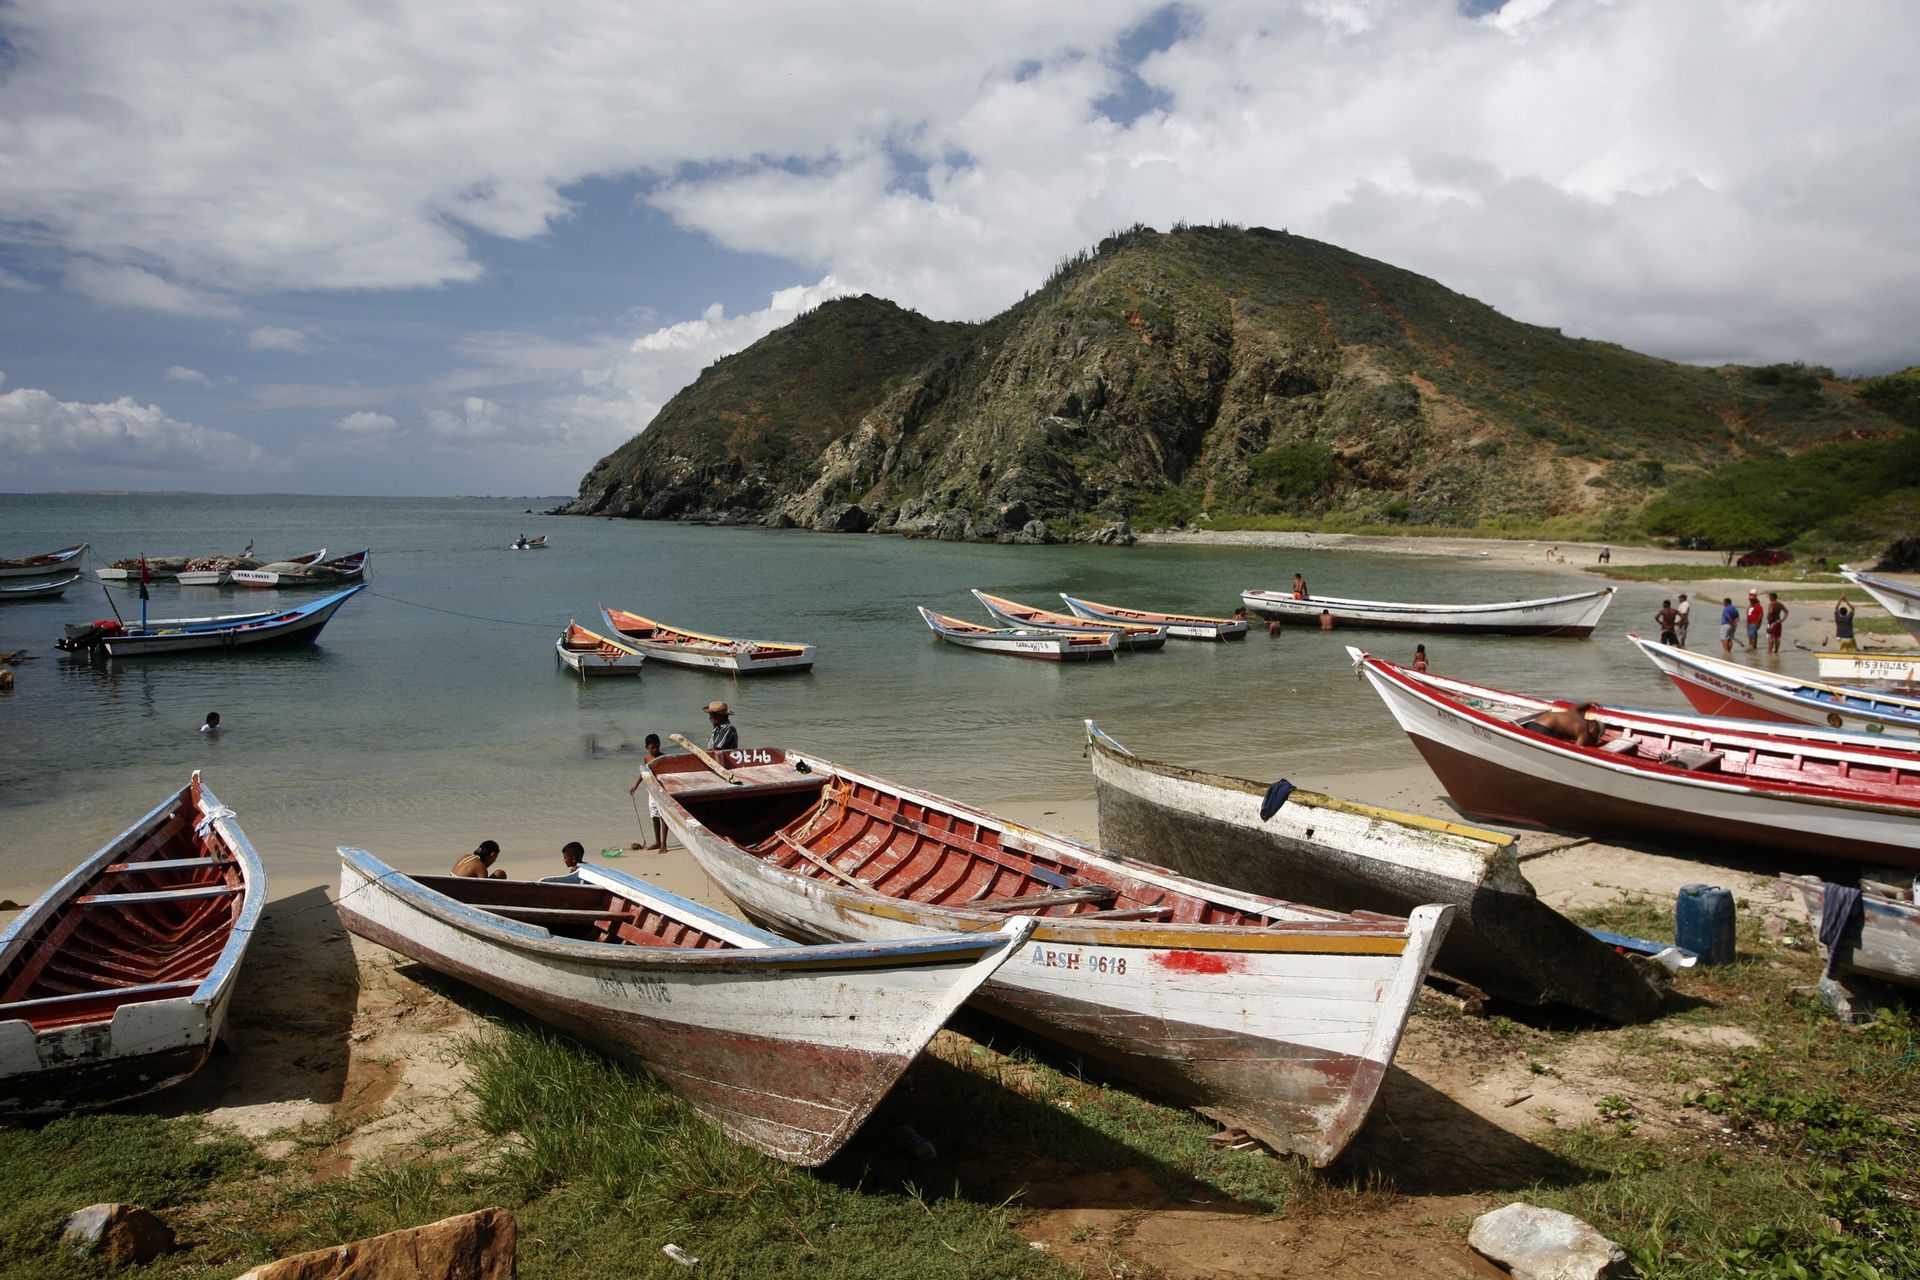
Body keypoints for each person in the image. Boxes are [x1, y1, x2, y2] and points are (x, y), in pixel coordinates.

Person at [628, 734, 669, 850]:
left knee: (663, 816)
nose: (655, 749)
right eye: (652, 748)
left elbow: (667, 774)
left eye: (657, 747)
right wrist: (636, 785)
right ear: (646, 747)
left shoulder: (663, 758)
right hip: (652, 790)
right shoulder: (646, 758)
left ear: (660, 745)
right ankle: (657, 841)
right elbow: (644, 773)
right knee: (654, 816)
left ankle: (664, 844)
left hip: (662, 790)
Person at [1530, 701, 1605, 748]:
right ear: (1595, 730)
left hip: (1533, 724)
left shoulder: (1575, 713)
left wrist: (1589, 703)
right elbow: (1576, 750)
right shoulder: (1584, 732)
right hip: (1544, 730)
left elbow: (1577, 707)